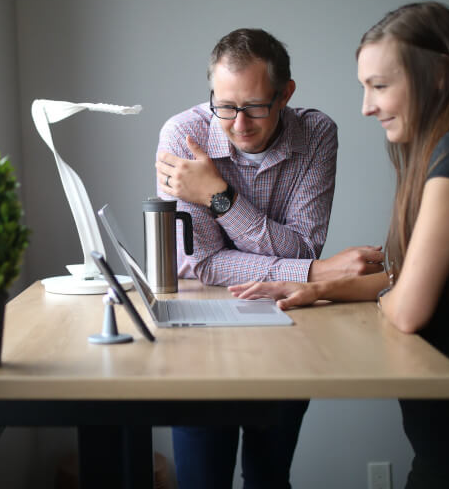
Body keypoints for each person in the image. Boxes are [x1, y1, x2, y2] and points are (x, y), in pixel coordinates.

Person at [231, 2, 449, 488]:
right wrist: (318, 289)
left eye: (380, 86)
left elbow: (407, 309)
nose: (366, 106)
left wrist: (373, 290)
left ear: (441, 75)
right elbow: (408, 284)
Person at [155, 28, 384, 489]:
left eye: (255, 106)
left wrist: (220, 197)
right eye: (225, 106)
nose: (239, 123)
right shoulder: (182, 135)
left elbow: (304, 246)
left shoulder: (317, 134)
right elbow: (199, 265)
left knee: (269, 478)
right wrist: (314, 273)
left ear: (285, 95)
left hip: (289, 330)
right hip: (200, 338)